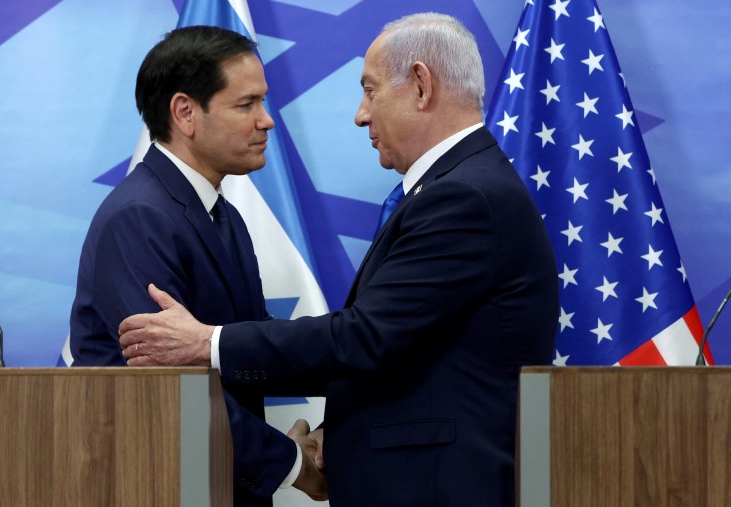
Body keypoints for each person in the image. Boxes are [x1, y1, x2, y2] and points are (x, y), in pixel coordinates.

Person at [118, 13, 559, 506]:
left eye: (370, 91)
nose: (361, 114)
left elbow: (365, 337)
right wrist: (335, 429)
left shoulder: (464, 198)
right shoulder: (460, 187)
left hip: (437, 487)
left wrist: (208, 344)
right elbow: (403, 349)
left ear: (420, 85)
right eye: (248, 103)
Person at [68, 26, 325, 505]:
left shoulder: (220, 212)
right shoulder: (139, 217)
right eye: (246, 105)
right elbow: (171, 393)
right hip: (162, 482)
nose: (267, 121)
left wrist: (353, 368)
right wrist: (294, 465)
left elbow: (242, 341)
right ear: (185, 113)